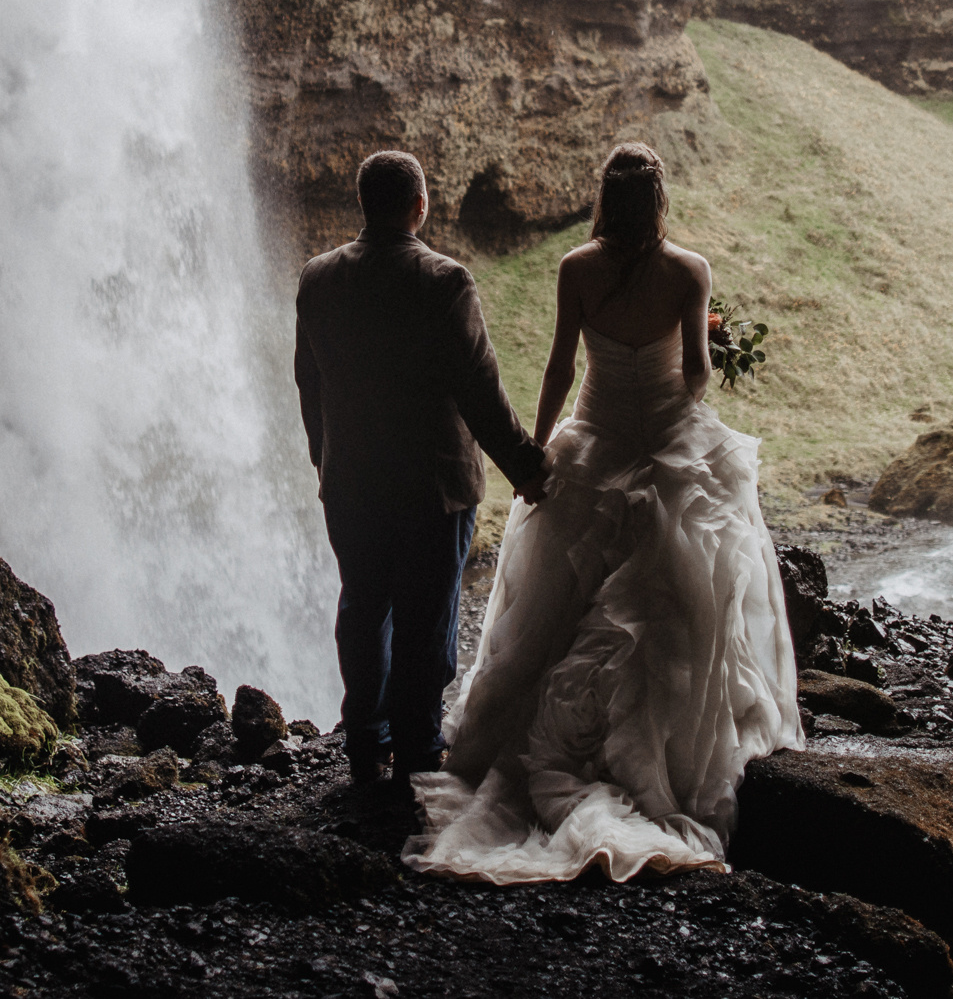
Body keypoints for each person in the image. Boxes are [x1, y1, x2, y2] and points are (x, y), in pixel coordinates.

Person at [406, 142, 801, 883]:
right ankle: (665, 764)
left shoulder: (575, 269)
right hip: (667, 444)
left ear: (603, 199)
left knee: (559, 613)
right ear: (658, 202)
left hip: (593, 440)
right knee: (675, 612)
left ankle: (529, 753)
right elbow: (694, 380)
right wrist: (704, 344)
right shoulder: (689, 271)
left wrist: (539, 447)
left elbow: (560, 363)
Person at [295, 150, 550, 785]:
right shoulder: (445, 281)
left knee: (362, 605)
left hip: (350, 482)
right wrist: (527, 467)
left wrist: (323, 455)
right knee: (426, 620)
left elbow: (309, 381)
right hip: (432, 487)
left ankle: (363, 743)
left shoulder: (318, 277)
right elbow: (480, 392)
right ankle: (415, 749)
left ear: (364, 204)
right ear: (420, 206)